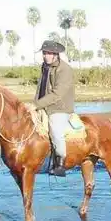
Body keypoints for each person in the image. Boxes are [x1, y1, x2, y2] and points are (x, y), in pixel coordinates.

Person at [33, 39, 75, 177]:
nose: (46, 56)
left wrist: (37, 105)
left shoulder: (65, 70)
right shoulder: (44, 66)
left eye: (50, 53)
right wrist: (35, 105)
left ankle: (60, 164)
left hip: (59, 107)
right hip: (43, 105)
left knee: (55, 129)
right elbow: (41, 88)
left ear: (56, 54)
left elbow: (57, 94)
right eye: (45, 53)